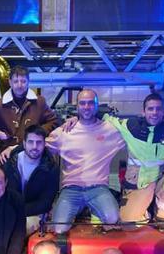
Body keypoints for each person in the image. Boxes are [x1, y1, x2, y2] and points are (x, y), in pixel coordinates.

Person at [104, 93, 164, 223]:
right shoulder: (130, 127)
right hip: (139, 184)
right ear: (143, 111)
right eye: (150, 109)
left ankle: (162, 217)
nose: (154, 112)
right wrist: (77, 117)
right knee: (128, 222)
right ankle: (147, 212)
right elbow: (105, 118)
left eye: (158, 109)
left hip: (162, 182)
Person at [45, 89, 125, 232]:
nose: (86, 107)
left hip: (98, 188)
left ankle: (92, 209)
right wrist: (13, 149)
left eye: (90, 103)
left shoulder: (110, 130)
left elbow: (134, 132)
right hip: (71, 189)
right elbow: (36, 145)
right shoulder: (65, 132)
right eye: (82, 103)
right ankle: (82, 209)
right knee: (58, 228)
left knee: (112, 218)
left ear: (96, 105)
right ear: (77, 107)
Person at [0, 65, 59, 156]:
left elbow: (54, 121)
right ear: (10, 82)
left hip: (33, 152)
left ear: (28, 82)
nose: (19, 85)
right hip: (7, 154)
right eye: (16, 81)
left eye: (23, 81)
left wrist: (38, 132)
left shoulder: (39, 102)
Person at [1, 124, 60, 234]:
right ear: (24, 143)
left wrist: (18, 211)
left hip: (35, 213)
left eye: (39, 142)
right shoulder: (10, 161)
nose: (34, 147)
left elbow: (45, 202)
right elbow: (2, 192)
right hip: (9, 211)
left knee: (19, 229)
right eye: (30, 142)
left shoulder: (51, 168)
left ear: (44, 144)